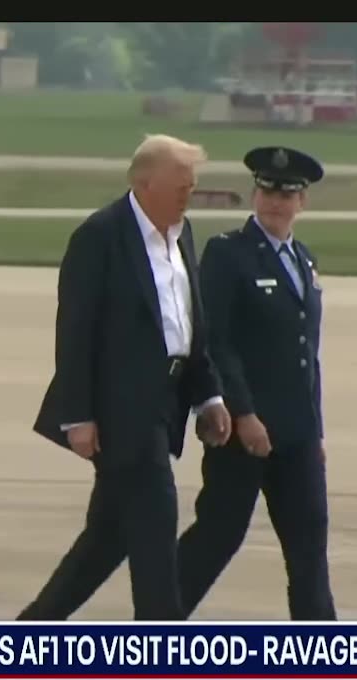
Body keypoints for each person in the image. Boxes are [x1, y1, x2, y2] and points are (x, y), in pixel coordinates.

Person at [19, 134, 232, 621]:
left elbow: (188, 326)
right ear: (145, 183)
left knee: (108, 537)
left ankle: (32, 628)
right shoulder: (101, 236)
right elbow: (75, 332)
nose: (188, 195)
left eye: (192, 187)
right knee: (157, 522)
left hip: (166, 403)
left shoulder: (182, 235)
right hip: (121, 411)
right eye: (181, 185)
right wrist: (78, 415)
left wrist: (209, 397)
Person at [175, 145, 336, 620]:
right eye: (267, 190)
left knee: (308, 543)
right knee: (219, 534)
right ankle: (158, 619)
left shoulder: (303, 261)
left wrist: (316, 428)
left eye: (287, 194)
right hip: (243, 428)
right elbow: (217, 342)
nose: (276, 201)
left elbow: (306, 354)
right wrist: (243, 413)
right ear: (254, 194)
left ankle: (319, 646)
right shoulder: (228, 254)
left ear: (302, 202)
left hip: (297, 432)